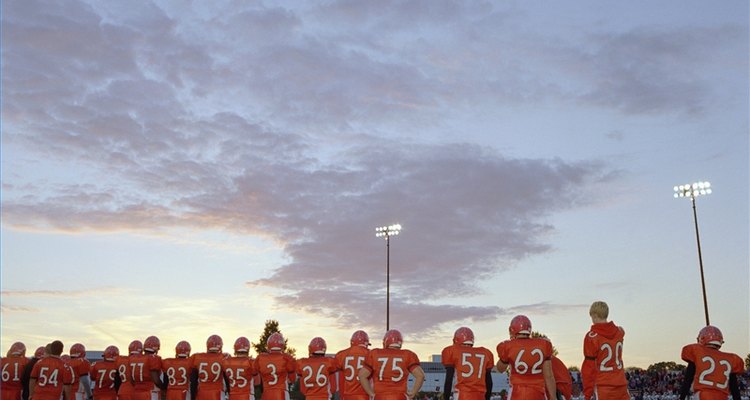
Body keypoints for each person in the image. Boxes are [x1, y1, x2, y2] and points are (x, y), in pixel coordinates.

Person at [496, 315, 556, 400]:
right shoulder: (543, 345)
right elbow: (549, 376)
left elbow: (500, 369)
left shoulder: (508, 346)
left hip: (517, 393)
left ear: (512, 329)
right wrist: (553, 397)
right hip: (538, 393)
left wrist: (505, 358)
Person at [679, 325, 744, 400]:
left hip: (703, 395)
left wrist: (682, 397)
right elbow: (734, 387)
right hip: (722, 397)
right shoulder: (731, 359)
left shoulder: (698, 352)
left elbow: (688, 379)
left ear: (702, 338)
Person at [358, 329, 425, 400]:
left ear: (385, 341)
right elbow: (420, 375)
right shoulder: (408, 354)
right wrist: (413, 392)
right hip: (399, 396)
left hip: (380, 396)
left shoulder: (375, 353)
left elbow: (362, 375)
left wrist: (371, 393)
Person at [581, 301, 629, 400]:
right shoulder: (619, 332)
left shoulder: (592, 337)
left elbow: (588, 368)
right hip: (621, 384)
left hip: (603, 385)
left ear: (594, 315)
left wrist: (588, 393)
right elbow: (622, 330)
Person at [441, 327, 494, 400]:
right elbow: (489, 383)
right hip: (480, 396)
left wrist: (446, 398)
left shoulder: (452, 351)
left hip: (462, 395)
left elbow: (448, 380)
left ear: (456, 340)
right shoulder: (485, 353)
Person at [253, 333, 296, 400]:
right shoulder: (286, 358)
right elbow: (292, 380)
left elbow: (254, 373)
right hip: (281, 393)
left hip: (266, 393)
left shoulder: (261, 358)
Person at [334, 330, 371, 400]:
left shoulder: (341, 355)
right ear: (366, 343)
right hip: (364, 395)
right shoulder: (371, 354)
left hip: (347, 395)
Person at [190, 335, 227, 400]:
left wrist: (193, 397)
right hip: (217, 394)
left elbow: (193, 382)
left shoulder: (197, 357)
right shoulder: (223, 358)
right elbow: (227, 380)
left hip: (202, 394)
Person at [144, 336, 165, 400]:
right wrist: (163, 387)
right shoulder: (154, 359)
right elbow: (156, 380)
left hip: (139, 392)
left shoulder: (137, 359)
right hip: (152, 393)